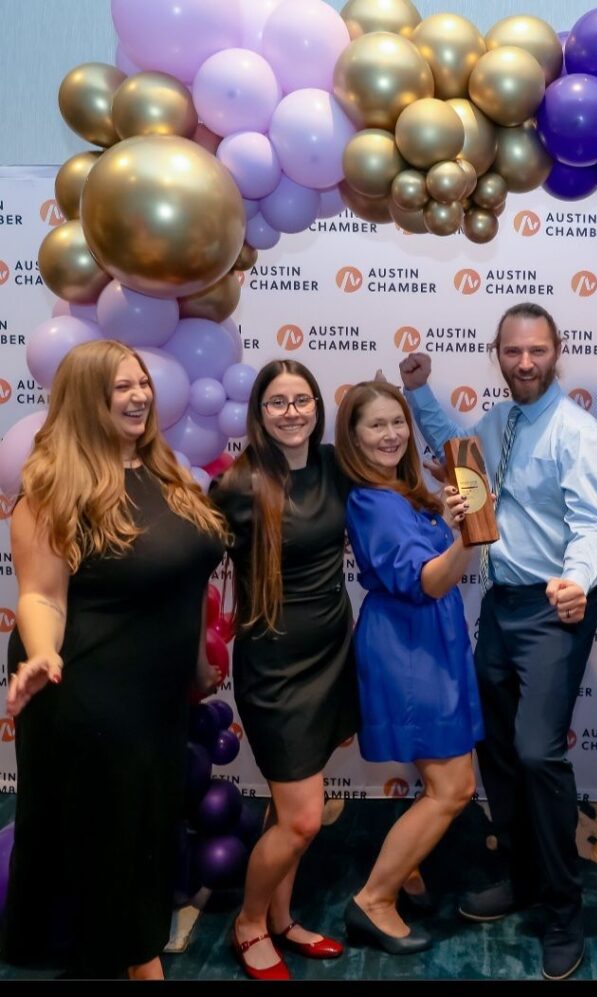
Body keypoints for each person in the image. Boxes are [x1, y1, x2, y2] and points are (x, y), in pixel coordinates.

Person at [399, 301, 597, 981]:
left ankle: (562, 910)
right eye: (513, 352)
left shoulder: (579, 434)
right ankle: (521, 876)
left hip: (557, 606)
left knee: (537, 751)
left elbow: (590, 525)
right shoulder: (502, 421)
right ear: (498, 353)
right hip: (499, 606)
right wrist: (416, 391)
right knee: (496, 746)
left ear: (558, 351)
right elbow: (461, 449)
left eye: (537, 351)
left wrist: (579, 580)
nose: (525, 363)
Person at [3, 340, 226, 979]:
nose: (138, 397)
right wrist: (42, 652)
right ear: (83, 402)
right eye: (118, 389)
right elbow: (41, 595)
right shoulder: (50, 488)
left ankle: (128, 950)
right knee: (111, 835)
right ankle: (133, 961)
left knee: (144, 828)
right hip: (87, 687)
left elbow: (180, 582)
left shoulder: (165, 473)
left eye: (141, 385)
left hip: (153, 696)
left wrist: (193, 665)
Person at [211, 360, 358, 980]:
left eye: (302, 400)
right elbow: (193, 568)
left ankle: (282, 916)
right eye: (278, 402)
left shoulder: (334, 465)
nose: (292, 412)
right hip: (274, 667)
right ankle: (248, 924)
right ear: (260, 413)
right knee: (302, 816)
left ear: (318, 408)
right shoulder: (240, 485)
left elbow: (393, 466)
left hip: (333, 653)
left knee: (288, 804)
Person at [334, 380, 483, 955]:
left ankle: (407, 868)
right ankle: (373, 899)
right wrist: (470, 536)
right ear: (353, 435)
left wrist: (450, 520)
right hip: (407, 647)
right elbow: (428, 580)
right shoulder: (372, 500)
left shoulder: (402, 489)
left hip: (428, 642)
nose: (392, 433)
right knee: (453, 786)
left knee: (439, 780)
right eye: (376, 425)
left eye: (398, 422)